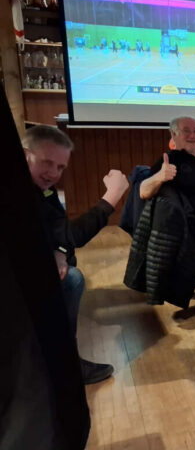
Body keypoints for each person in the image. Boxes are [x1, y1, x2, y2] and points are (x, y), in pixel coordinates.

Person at [24, 125, 129, 384]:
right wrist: (112, 197)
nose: (53, 173)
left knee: (69, 269)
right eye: (47, 162)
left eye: (60, 167)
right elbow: (68, 236)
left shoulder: (44, 190)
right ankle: (63, 365)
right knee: (71, 279)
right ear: (25, 154)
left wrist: (59, 250)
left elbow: (62, 232)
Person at [140, 116, 195, 255]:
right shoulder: (171, 161)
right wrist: (159, 177)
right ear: (174, 134)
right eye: (186, 131)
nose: (192, 135)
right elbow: (143, 191)